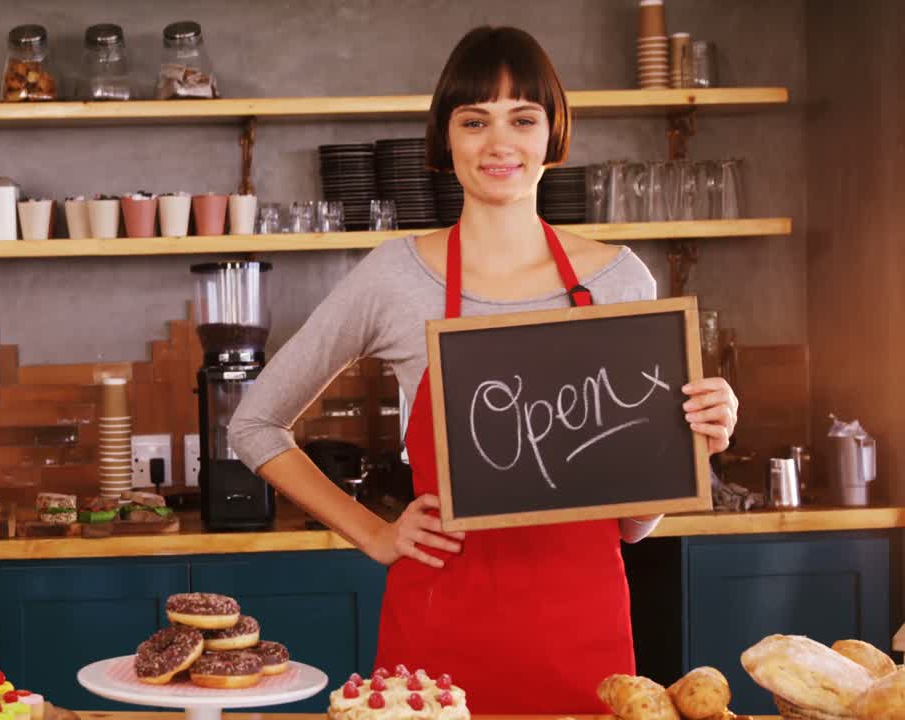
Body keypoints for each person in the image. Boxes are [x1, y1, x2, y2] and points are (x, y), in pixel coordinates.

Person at [227, 25, 739, 714]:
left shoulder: (621, 281)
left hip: (583, 639)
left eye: (522, 119)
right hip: (436, 648)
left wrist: (694, 443)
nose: (499, 143)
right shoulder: (395, 277)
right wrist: (376, 534)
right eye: (475, 121)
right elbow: (255, 425)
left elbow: (632, 524)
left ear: (553, 133)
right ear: (446, 138)